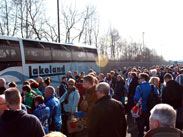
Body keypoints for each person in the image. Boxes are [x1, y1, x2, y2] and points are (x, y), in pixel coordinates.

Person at [134, 73, 159, 137]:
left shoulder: (139, 87)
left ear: (143, 79)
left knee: (140, 128)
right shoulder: (153, 87)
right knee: (150, 128)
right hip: (151, 109)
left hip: (142, 110)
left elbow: (136, 98)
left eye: (139, 78)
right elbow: (157, 95)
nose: (138, 80)